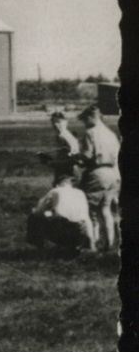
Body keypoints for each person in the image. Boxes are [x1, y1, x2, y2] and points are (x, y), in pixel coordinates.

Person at [76, 106, 121, 251]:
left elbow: (88, 156)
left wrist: (77, 157)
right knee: (106, 209)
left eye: (84, 120)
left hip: (97, 173)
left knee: (90, 210)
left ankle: (91, 244)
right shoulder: (111, 134)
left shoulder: (90, 133)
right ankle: (109, 244)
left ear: (90, 118)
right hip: (113, 174)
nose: (84, 124)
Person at [27, 173, 96, 252]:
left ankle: (41, 247)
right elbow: (86, 218)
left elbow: (38, 211)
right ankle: (77, 246)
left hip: (63, 228)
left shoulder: (55, 191)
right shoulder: (80, 193)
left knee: (34, 218)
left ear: (57, 184)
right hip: (81, 231)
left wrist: (46, 212)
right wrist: (92, 243)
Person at [40, 111, 81, 179]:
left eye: (59, 122)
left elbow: (72, 156)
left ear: (65, 122)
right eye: (53, 122)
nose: (56, 125)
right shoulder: (63, 135)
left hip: (69, 170)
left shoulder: (64, 135)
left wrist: (51, 163)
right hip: (66, 168)